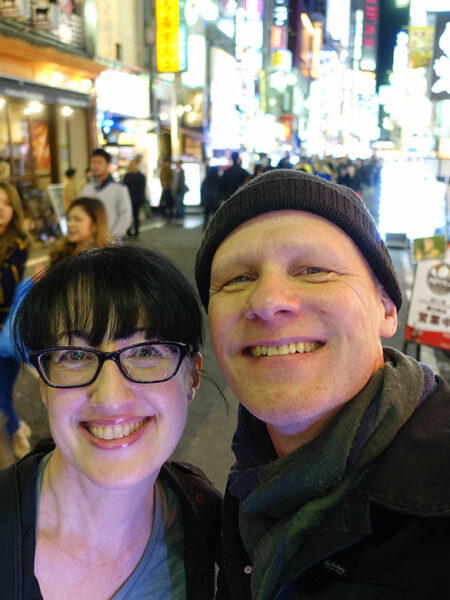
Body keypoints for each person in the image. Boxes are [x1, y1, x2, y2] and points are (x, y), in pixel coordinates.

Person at [195, 169, 450, 599]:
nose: (268, 301)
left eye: (313, 269)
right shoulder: (252, 485)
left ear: (387, 308)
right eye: (238, 278)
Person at [1, 244, 221, 598]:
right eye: (74, 355)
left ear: (192, 377)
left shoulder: (206, 520)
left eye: (146, 352)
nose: (110, 397)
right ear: (43, 384)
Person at [0, 183, 31, 459]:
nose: (0, 208)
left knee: (1, 396)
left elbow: (6, 287)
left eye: (7, 203)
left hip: (4, 333)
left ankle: (13, 448)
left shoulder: (18, 241)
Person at [81, 148, 132, 238]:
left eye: (99, 162)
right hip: (89, 239)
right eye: (93, 162)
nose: (95, 166)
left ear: (108, 165)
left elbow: (126, 215)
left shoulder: (119, 188)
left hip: (111, 241)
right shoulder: (86, 188)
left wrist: (113, 238)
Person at [49, 197, 110, 264]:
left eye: (77, 219)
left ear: (95, 225)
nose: (69, 224)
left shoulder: (105, 259)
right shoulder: (59, 254)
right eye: (68, 219)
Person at [123, 158, 147, 238]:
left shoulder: (141, 176)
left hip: (136, 199)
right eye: (130, 165)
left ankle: (136, 232)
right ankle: (128, 231)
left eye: (133, 165)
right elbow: (124, 187)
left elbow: (142, 189)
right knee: (128, 215)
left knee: (135, 215)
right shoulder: (127, 176)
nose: (131, 167)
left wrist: (141, 199)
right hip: (128, 198)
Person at [201, 165, 221, 231]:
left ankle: (205, 226)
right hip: (215, 200)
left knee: (206, 214)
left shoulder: (206, 180)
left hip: (207, 200)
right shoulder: (218, 180)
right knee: (215, 215)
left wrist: (203, 200)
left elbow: (202, 190)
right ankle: (216, 228)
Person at [159, 157, 175, 222]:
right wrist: (163, 185)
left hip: (169, 189)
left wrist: (168, 185)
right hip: (164, 188)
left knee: (170, 203)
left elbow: (171, 179)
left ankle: (170, 216)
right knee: (162, 203)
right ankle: (166, 216)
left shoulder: (170, 170)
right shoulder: (162, 170)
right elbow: (161, 179)